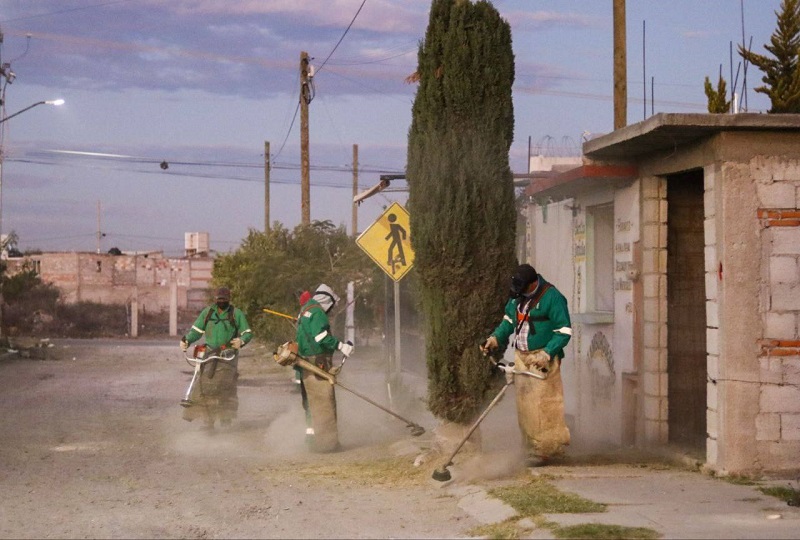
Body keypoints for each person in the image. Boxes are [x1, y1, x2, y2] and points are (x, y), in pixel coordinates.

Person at [481, 263, 572, 466]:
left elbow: (564, 331)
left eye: (522, 288)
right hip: (522, 358)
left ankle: (546, 450)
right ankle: (530, 447)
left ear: (533, 283)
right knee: (525, 406)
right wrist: (495, 338)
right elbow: (508, 321)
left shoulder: (552, 297)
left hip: (543, 360)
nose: (518, 292)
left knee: (543, 405)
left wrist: (547, 353)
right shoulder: (519, 296)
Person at [180, 286, 253, 431]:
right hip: (209, 354)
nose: (221, 302)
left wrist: (241, 341)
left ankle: (225, 416)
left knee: (225, 386)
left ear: (229, 300)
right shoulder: (208, 313)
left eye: (224, 300)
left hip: (228, 356)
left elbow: (247, 332)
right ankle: (208, 421)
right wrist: (187, 340)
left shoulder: (236, 314)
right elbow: (196, 331)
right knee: (205, 386)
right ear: (215, 299)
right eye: (219, 300)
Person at [295, 283, 353, 452]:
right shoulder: (318, 312)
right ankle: (328, 444)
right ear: (327, 300)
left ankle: (312, 440)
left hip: (304, 362)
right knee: (324, 401)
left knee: (310, 401)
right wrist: (341, 346)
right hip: (318, 362)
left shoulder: (305, 310)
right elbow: (321, 338)